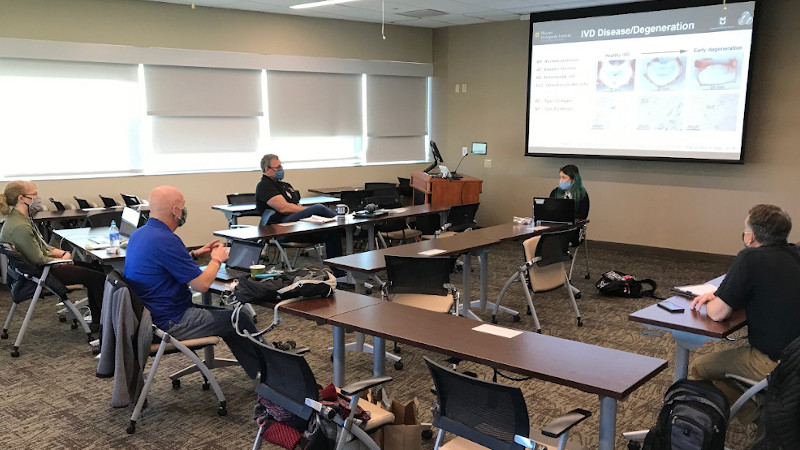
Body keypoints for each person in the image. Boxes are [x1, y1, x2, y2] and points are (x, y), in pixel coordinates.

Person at [123, 185, 260, 379]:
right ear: (176, 211)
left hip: (152, 315)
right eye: (183, 206)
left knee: (233, 318)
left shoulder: (140, 234)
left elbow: (163, 264)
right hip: (170, 321)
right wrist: (216, 259)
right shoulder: (167, 239)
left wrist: (195, 254)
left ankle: (260, 369)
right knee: (239, 319)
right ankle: (271, 372)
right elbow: (201, 285)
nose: (184, 210)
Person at [689, 204, 800, 424]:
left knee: (699, 367)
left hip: (776, 362)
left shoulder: (750, 257)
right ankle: (769, 408)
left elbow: (717, 313)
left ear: (750, 237)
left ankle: (761, 418)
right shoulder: (796, 253)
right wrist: (725, 294)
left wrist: (715, 299)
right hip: (795, 356)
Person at [0, 180, 106, 330]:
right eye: (34, 194)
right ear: (21, 198)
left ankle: (98, 321)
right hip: (45, 272)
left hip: (44, 268)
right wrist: (59, 260)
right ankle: (104, 325)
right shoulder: (20, 226)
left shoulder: (20, 219)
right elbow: (38, 258)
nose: (38, 197)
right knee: (98, 278)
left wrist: (63, 254)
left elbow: (42, 247)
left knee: (97, 269)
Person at [255, 154, 345, 277]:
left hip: (298, 227)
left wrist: (307, 215)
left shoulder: (285, 186)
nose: (281, 169)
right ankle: (349, 226)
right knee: (318, 208)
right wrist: (307, 212)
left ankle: (339, 274)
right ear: (267, 169)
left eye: (281, 166)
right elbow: (284, 208)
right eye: (278, 167)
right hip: (281, 228)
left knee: (332, 232)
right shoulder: (264, 186)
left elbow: (296, 205)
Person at [549, 164, 589, 248]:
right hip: (555, 227)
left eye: (564, 178)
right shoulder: (555, 192)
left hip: (572, 229)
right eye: (560, 177)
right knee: (541, 237)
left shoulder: (582, 195)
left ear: (573, 180)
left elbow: (582, 216)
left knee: (556, 240)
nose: (561, 180)